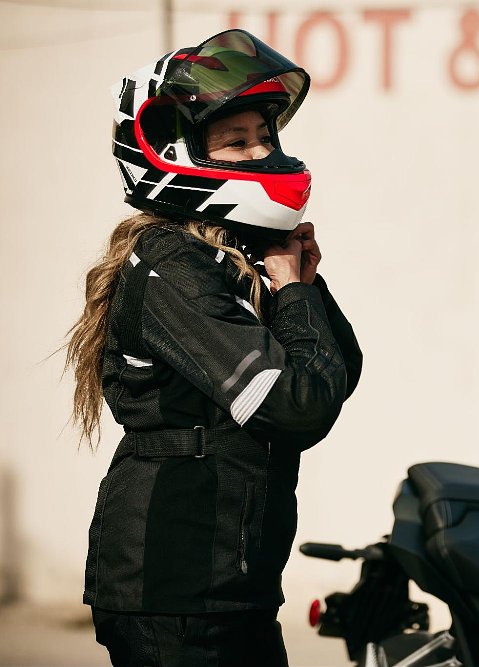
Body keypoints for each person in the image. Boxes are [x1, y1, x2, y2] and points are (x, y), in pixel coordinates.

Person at [64, 30, 362, 666]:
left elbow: (340, 369)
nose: (262, 153)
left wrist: (299, 283)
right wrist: (289, 290)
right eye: (237, 141)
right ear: (172, 154)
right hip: (176, 595)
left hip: (235, 589)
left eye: (266, 136)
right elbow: (300, 406)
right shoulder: (172, 266)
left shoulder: (232, 257)